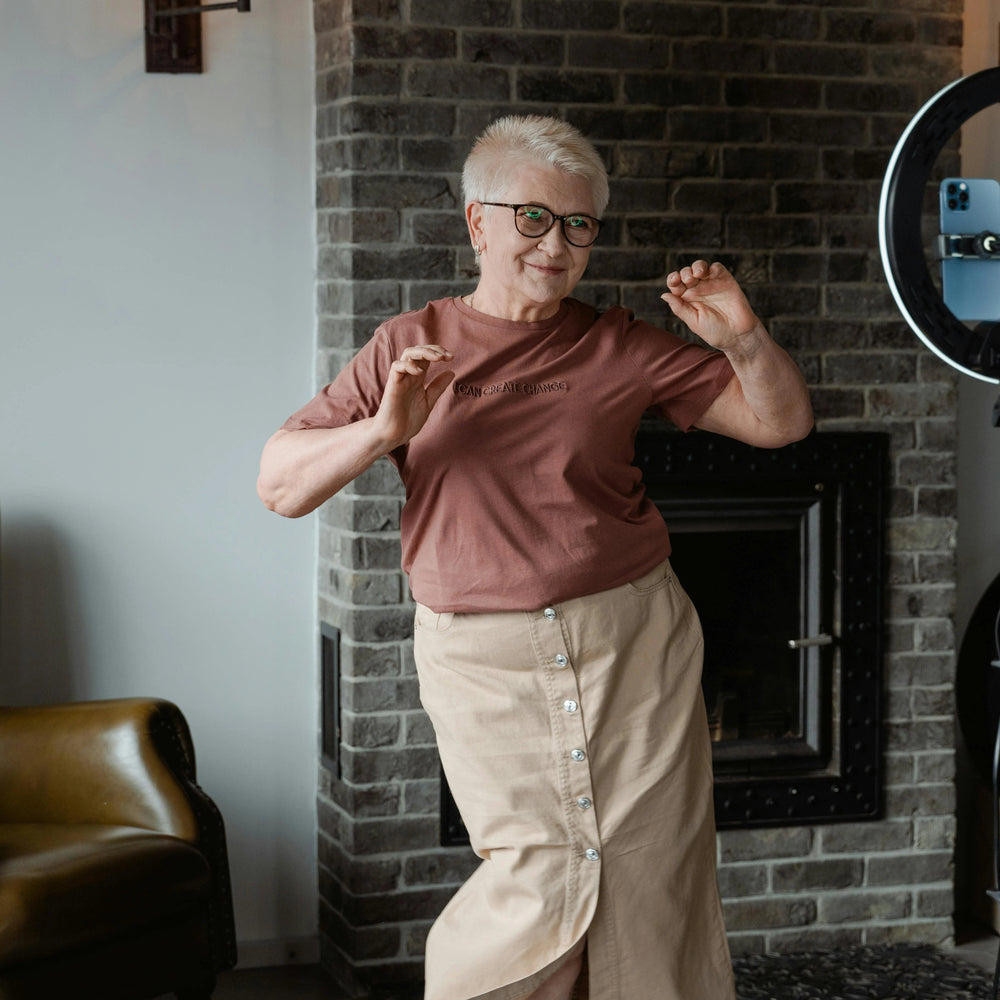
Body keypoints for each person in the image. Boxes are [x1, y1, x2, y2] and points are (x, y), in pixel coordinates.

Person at [258, 115, 813, 1000]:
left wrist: (743, 340)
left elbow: (779, 423)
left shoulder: (619, 342)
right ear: (478, 223)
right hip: (484, 658)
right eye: (533, 218)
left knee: (649, 878)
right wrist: (383, 431)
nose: (557, 245)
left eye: (579, 224)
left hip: (635, 645)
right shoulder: (407, 344)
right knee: (535, 877)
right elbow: (280, 484)